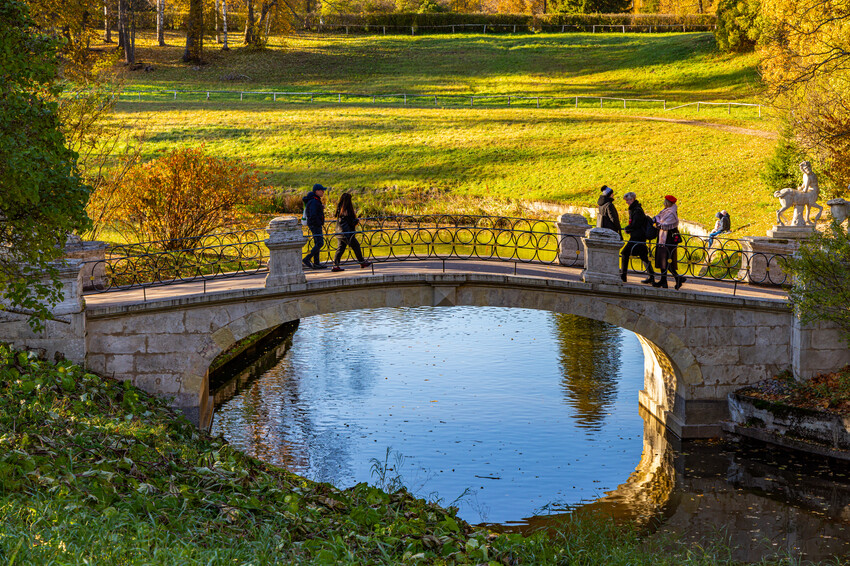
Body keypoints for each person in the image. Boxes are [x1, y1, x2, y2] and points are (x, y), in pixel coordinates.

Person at [651, 195, 686, 290]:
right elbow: (659, 217)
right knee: (662, 259)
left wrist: (657, 222)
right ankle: (664, 280)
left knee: (667, 260)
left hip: (669, 239)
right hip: (663, 238)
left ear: (668, 203)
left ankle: (677, 278)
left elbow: (665, 225)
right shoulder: (665, 211)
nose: (663, 203)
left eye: (665, 202)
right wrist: (656, 219)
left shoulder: (672, 213)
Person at [331, 192, 372, 272]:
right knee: (356, 246)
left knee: (340, 249)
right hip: (347, 233)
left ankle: (335, 265)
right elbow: (351, 222)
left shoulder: (339, 209)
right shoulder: (347, 210)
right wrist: (357, 220)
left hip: (340, 232)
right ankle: (362, 262)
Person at [620, 192, 655, 284]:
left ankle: (623, 275)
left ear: (632, 199)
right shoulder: (635, 209)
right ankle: (651, 276)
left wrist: (627, 228)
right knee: (643, 256)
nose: (626, 202)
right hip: (638, 236)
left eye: (628, 200)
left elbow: (636, 224)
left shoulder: (637, 210)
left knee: (625, 253)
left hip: (637, 237)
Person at [302, 183, 327, 269]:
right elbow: (313, 214)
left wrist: (320, 207)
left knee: (317, 243)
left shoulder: (314, 200)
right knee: (320, 243)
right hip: (315, 224)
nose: (323, 192)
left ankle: (316, 263)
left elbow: (314, 210)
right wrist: (318, 222)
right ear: (317, 191)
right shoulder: (314, 201)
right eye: (322, 190)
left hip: (314, 224)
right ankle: (307, 258)